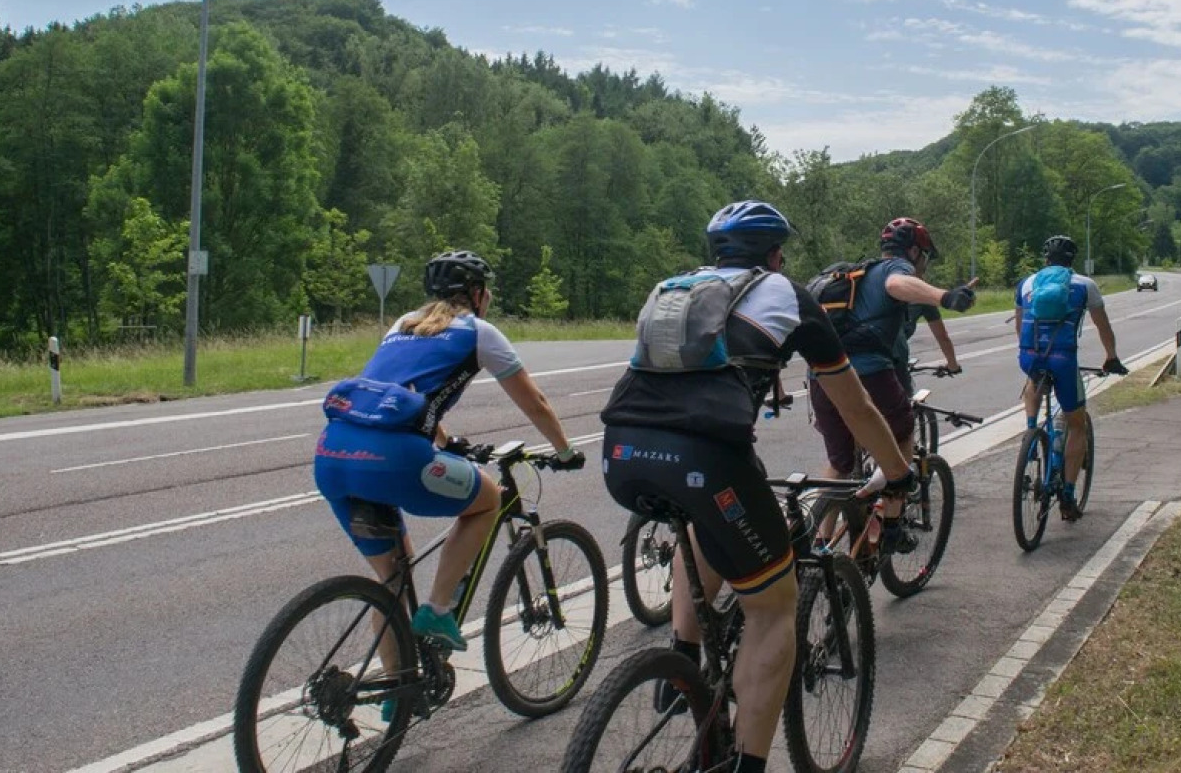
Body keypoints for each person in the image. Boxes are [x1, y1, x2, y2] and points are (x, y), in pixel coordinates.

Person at [600, 200, 915, 773]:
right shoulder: (789, 296)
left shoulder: (673, 289)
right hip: (708, 459)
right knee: (774, 609)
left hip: (621, 453)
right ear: (774, 254)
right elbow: (859, 409)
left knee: (703, 516)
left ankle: (682, 664)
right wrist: (898, 472)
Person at [313, 249, 584, 653]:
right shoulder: (478, 332)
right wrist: (564, 451)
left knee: (392, 584)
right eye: (486, 289)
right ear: (476, 294)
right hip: (394, 459)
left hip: (332, 455)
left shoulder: (403, 323)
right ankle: (439, 610)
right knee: (488, 499)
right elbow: (535, 403)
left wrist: (446, 440)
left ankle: (396, 699)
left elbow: (401, 391)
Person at [810, 217, 977, 523]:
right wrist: (945, 296)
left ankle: (819, 547)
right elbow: (896, 284)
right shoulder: (892, 269)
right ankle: (890, 522)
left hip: (823, 376)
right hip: (870, 373)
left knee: (840, 462)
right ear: (913, 252)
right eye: (924, 257)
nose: (922, 264)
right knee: (902, 432)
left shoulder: (854, 276)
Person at [1013, 234, 1126, 521]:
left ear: (1045, 259)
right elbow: (1104, 327)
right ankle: (1067, 494)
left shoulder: (1026, 284)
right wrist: (1111, 357)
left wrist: (1032, 354)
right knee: (1077, 424)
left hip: (1029, 356)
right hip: (1063, 358)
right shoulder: (1085, 285)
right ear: (1071, 261)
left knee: (1032, 378)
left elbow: (1019, 326)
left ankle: (1030, 430)